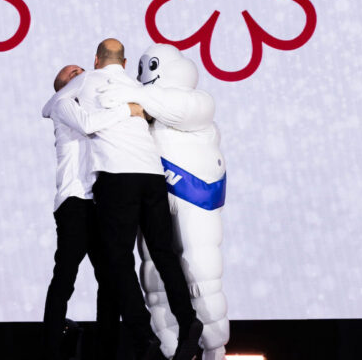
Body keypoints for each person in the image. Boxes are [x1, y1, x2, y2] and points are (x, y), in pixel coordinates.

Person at [51, 39, 203, 360]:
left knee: (117, 260)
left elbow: (51, 105)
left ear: (95, 60)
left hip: (117, 177)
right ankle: (188, 322)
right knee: (164, 253)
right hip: (151, 175)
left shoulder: (86, 81)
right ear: (124, 61)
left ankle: (143, 335)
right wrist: (133, 108)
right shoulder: (136, 86)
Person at [98, 44, 229, 360]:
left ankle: (213, 347)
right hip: (150, 192)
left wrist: (127, 92)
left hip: (194, 195)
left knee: (200, 271)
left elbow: (177, 108)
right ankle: (174, 348)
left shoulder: (195, 101)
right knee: (156, 277)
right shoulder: (143, 108)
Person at [40, 64, 145, 360]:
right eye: (71, 73)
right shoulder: (62, 104)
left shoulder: (96, 107)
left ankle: (107, 349)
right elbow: (87, 124)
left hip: (100, 202)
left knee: (110, 278)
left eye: (81, 71)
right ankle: (50, 349)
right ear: (60, 84)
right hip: (74, 201)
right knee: (65, 277)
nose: (80, 75)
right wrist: (128, 109)